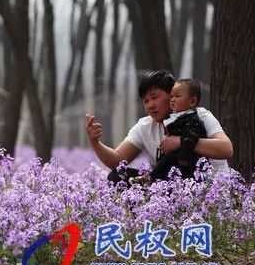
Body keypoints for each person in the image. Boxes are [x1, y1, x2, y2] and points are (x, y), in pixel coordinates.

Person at [85, 70, 233, 186]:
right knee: (117, 176)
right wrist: (95, 142)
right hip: (167, 188)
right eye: (146, 101)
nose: (150, 105)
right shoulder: (145, 126)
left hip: (208, 188)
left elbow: (226, 149)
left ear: (172, 95)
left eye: (154, 97)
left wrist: (182, 141)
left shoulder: (199, 115)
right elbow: (117, 160)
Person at [149, 78, 206, 180]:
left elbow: (190, 138)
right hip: (177, 162)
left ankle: (150, 179)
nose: (172, 99)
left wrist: (183, 158)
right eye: (171, 96)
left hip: (188, 163)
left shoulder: (192, 119)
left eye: (177, 96)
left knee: (168, 159)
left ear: (192, 101)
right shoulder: (176, 117)